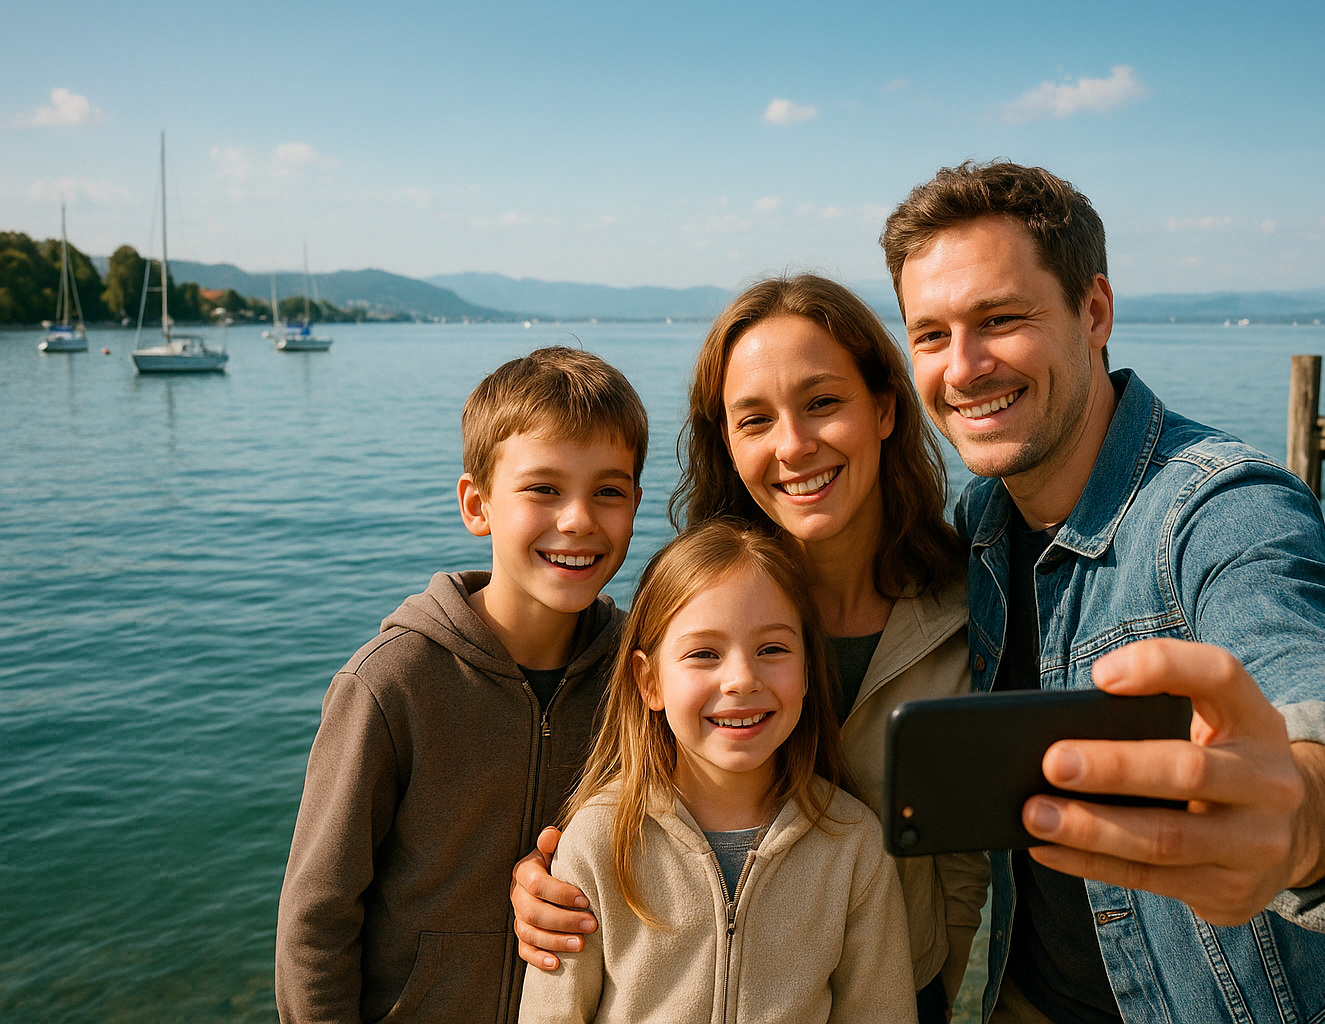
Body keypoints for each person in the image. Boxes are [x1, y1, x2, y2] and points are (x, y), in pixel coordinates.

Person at [881, 161, 1325, 1023]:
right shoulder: (984, 517)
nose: (963, 368)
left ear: (1094, 312)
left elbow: (1306, 664)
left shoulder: (1218, 505)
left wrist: (1300, 814)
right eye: (930, 335)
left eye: (1001, 319)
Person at [513, 276, 990, 1022]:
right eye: (754, 419)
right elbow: (618, 784)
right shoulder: (687, 614)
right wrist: (541, 877)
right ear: (726, 444)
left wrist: (937, 973)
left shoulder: (973, 612)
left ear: (886, 408)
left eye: (823, 402)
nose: (794, 446)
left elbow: (966, 848)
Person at [275, 347, 647, 1024]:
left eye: (609, 491)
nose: (578, 519)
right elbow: (316, 923)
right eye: (543, 489)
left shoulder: (640, 676)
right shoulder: (393, 684)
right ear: (477, 504)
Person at [518, 520, 919, 1024]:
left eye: (772, 650)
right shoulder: (600, 841)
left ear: (808, 671)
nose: (741, 680)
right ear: (650, 682)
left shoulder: (852, 843)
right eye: (704, 654)